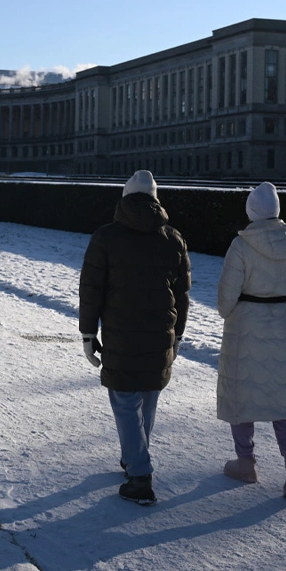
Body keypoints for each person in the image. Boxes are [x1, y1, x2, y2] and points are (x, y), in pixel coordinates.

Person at [79, 170, 190, 506]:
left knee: (125, 402)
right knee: (147, 396)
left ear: (124, 199)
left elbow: (91, 290)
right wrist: (179, 334)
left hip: (121, 333)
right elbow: (182, 293)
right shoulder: (173, 238)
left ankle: (140, 475)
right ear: (156, 200)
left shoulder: (106, 237)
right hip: (160, 334)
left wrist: (87, 333)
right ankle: (134, 458)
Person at [216, 182, 286, 498]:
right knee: (284, 397)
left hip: (246, 325)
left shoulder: (241, 245)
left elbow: (224, 302)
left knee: (242, 394)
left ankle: (246, 463)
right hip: (284, 326)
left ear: (251, 212)